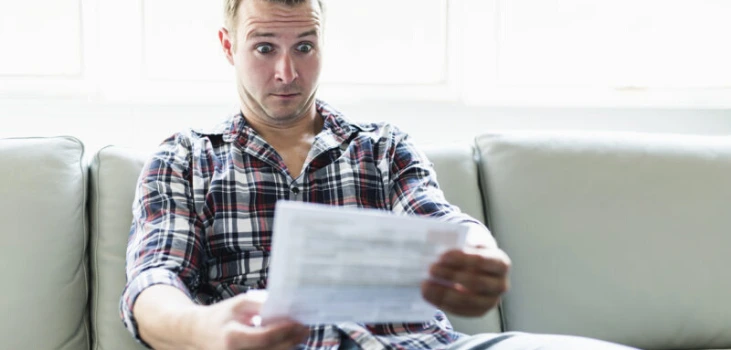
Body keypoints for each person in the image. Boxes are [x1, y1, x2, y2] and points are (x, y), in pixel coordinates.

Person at [120, 0, 638, 349]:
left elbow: (440, 221)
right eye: (264, 48)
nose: (287, 73)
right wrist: (204, 327)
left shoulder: (382, 146)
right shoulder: (185, 158)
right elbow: (153, 282)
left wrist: (475, 253)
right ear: (229, 46)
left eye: (304, 46)